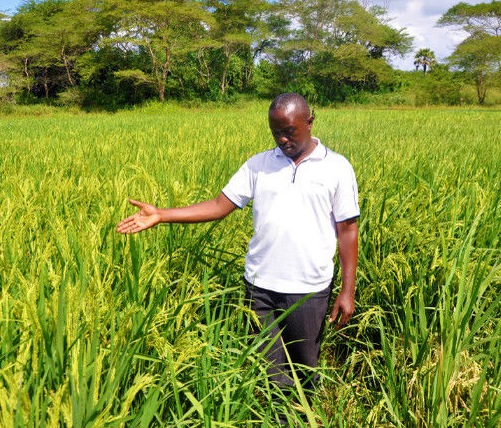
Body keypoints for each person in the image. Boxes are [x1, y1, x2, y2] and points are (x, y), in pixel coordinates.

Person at [116, 92, 359, 403]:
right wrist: (162, 214)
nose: (282, 139)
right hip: (259, 288)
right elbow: (219, 205)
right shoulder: (259, 165)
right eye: (275, 132)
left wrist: (347, 290)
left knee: (305, 372)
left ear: (309, 123)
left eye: (289, 131)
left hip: (309, 290)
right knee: (270, 376)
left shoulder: (337, 168)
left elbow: (347, 230)